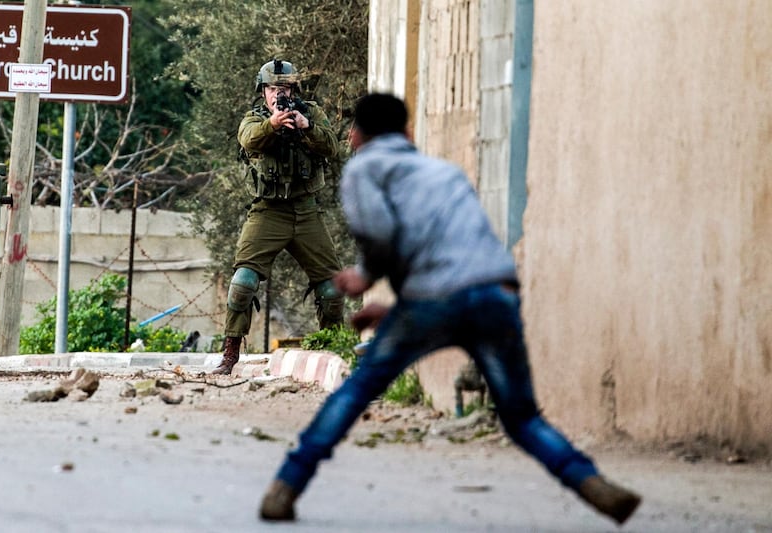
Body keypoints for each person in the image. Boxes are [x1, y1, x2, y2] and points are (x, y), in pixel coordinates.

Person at [258, 93, 642, 525]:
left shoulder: (363, 167)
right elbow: (457, 263)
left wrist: (364, 278)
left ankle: (285, 486)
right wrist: (399, 309)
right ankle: (590, 482)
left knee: (355, 393)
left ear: (355, 136)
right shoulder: (445, 173)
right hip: (495, 294)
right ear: (408, 133)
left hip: (431, 301)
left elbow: (385, 236)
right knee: (521, 418)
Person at [212, 59, 345, 375]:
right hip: (268, 211)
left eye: (284, 89)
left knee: (332, 291)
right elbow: (248, 139)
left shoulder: (311, 115)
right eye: (273, 89)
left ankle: (332, 349)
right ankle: (230, 353)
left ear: (294, 90)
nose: (279, 95)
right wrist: (273, 124)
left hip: (306, 210)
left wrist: (306, 127)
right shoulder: (254, 119)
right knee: (242, 283)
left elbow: (333, 148)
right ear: (263, 92)